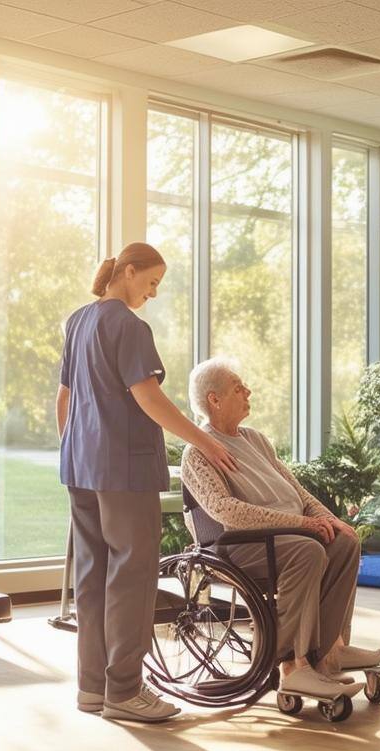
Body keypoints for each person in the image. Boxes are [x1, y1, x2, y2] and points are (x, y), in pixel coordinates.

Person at [56, 242, 237, 723]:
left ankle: (92, 689)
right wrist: (205, 440)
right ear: (128, 272)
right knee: (133, 579)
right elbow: (148, 398)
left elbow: (65, 398)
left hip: (81, 468)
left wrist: (76, 449)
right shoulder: (129, 327)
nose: (153, 293)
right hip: (125, 471)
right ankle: (126, 691)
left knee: (91, 578)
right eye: (151, 282)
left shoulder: (78, 321)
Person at [179, 357, 380, 700]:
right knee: (307, 550)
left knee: (345, 542)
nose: (248, 391)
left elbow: (298, 492)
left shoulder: (256, 440)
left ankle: (331, 649)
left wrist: (329, 519)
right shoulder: (198, 451)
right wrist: (303, 525)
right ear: (214, 400)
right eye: (237, 387)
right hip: (238, 542)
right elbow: (225, 512)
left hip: (287, 534)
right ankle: (293, 666)